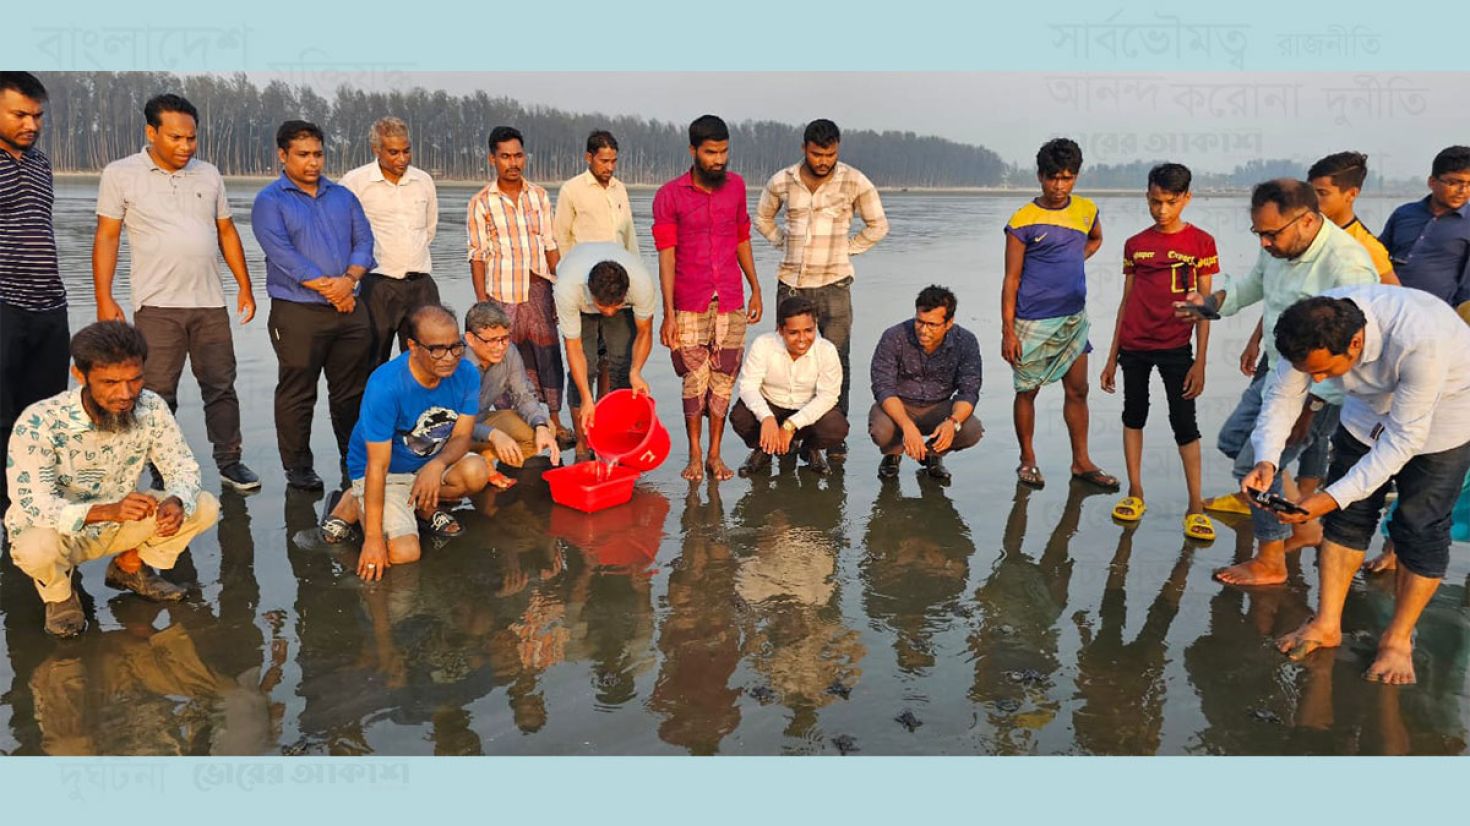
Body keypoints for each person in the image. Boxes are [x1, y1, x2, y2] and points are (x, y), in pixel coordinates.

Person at [1252, 287, 1470, 685]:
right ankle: (1326, 622)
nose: (1316, 380)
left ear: (1355, 342)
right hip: (1366, 410)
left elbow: (1404, 440)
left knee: (1420, 527)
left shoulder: (1420, 341)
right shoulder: (1305, 330)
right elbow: (1282, 396)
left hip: (1444, 417)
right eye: (1309, 370)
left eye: (1323, 370)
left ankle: (1397, 641)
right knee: (1347, 519)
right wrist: (1266, 458)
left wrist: (1329, 497)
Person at [1176, 178, 1379, 586]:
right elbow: (1254, 285)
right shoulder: (1279, 246)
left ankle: (1271, 559)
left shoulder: (1346, 264)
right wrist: (1212, 303)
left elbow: (1350, 349)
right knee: (1235, 440)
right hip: (1277, 365)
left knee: (1255, 464)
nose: (1265, 243)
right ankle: (1302, 523)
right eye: (1259, 234)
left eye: (1272, 234)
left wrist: (1311, 406)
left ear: (1306, 221)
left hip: (1321, 387)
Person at [4, 321, 221, 637]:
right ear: (81, 375)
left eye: (135, 380)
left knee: (201, 505)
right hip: (62, 531)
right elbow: (35, 506)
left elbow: (183, 468)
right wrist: (108, 511)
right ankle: (60, 598)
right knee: (36, 547)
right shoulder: (39, 422)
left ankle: (129, 567)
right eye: (110, 382)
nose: (125, 394)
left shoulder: (151, 407)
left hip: (121, 523)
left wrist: (175, 500)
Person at [92, 93, 260, 493]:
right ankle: (161, 468)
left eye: (191, 138)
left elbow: (226, 231)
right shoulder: (121, 174)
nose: (186, 146)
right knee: (156, 393)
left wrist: (245, 286)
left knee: (220, 385)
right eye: (176, 138)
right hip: (157, 305)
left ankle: (230, 462)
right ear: (152, 133)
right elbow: (107, 235)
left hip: (210, 304)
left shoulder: (209, 174)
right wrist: (104, 297)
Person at [319, 306, 490, 581]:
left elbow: (461, 437)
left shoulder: (467, 373)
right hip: (382, 473)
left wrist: (437, 464)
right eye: (437, 349)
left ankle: (421, 506)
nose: (449, 358)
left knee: (476, 472)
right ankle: (352, 501)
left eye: (455, 347)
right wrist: (372, 539)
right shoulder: (386, 385)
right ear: (413, 346)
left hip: (426, 465)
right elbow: (378, 465)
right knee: (404, 553)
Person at [252, 120, 376, 491]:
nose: (312, 162)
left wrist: (349, 282)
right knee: (298, 389)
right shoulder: (270, 201)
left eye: (318, 154)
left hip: (349, 308)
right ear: (283, 155)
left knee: (352, 390)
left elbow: (364, 241)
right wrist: (332, 289)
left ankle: (352, 456)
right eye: (303, 155)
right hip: (297, 311)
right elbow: (283, 255)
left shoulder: (343, 197)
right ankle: (299, 468)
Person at [753, 118, 888, 456]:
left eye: (829, 154)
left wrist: (848, 248)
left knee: (835, 360)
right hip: (792, 286)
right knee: (789, 356)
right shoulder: (783, 181)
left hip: (835, 285)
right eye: (816, 154)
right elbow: (762, 218)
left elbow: (878, 225)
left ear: (837, 149)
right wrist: (782, 241)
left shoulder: (854, 181)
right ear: (804, 149)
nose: (823, 161)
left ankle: (831, 437)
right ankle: (783, 431)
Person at [1099, 163, 1217, 541]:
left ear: (1186, 199)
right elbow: (1126, 302)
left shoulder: (1201, 243)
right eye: (1154, 202)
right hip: (1134, 345)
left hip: (1176, 347)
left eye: (1169, 202)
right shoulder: (1135, 244)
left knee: (1185, 423)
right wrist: (1111, 356)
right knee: (1134, 415)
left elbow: (1204, 306)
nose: (1161, 210)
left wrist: (1200, 361)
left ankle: (1195, 505)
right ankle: (1135, 492)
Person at [1000, 137, 1116, 492]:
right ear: (1039, 176)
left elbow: (1095, 238)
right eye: (1053, 178)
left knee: (1078, 390)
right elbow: (1012, 278)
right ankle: (1028, 460)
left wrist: (1073, 260)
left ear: (1076, 177)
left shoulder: (1085, 210)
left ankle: (1081, 461)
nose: (1059, 186)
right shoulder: (1023, 219)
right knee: (1027, 391)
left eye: (1067, 178)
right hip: (1031, 321)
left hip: (1073, 319)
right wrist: (1008, 331)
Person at [653, 114, 763, 482]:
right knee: (693, 379)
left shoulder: (736, 187)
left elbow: (742, 237)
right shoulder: (670, 195)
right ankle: (695, 455)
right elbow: (666, 255)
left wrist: (756, 288)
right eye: (711, 152)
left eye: (724, 152)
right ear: (693, 151)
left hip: (731, 297)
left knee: (723, 377)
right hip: (688, 300)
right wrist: (667, 313)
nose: (718, 159)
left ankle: (715, 455)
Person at [466, 126, 570, 447]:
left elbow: (549, 243)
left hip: (538, 287)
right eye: (505, 156)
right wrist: (482, 302)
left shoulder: (538, 195)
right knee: (504, 357)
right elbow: (477, 255)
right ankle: (510, 423)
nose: (513, 162)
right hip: (501, 292)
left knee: (548, 356)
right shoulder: (482, 202)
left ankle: (553, 420)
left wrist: (562, 282)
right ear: (492, 159)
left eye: (518, 155)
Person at [0, 72, 68, 509]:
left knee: (42, 417)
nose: (32, 124)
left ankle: (34, 504)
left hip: (49, 305)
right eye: (19, 114)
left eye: (37, 115)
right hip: (3, 306)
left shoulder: (41, 163)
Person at [340, 116, 441, 365]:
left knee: (428, 361)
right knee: (373, 360)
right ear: (376, 150)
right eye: (394, 152)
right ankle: (373, 405)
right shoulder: (355, 183)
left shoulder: (423, 181)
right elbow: (342, 235)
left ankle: (422, 406)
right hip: (376, 286)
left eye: (407, 151)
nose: (402, 158)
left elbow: (429, 229)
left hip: (421, 287)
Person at [868, 285, 984, 481]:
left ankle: (932, 455)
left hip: (940, 407)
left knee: (971, 430)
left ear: (949, 323)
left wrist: (952, 422)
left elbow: (969, 390)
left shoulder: (966, 341)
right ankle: (892, 454)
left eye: (932, 325)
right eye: (919, 322)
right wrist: (906, 425)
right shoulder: (894, 336)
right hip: (899, 404)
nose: (923, 330)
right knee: (882, 430)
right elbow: (883, 387)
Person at [553, 242, 656, 459]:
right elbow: (574, 347)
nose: (609, 313)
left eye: (614, 305)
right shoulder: (569, 289)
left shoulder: (641, 284)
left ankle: (617, 441)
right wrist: (586, 398)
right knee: (585, 369)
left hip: (621, 302)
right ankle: (583, 444)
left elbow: (645, 332)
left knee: (622, 366)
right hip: (581, 306)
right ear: (592, 294)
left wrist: (636, 371)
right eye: (603, 307)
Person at [729, 295, 848, 477]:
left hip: (807, 408)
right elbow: (748, 386)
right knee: (740, 417)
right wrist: (766, 418)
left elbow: (828, 396)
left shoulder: (827, 350)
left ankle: (810, 450)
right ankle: (764, 449)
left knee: (836, 427)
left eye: (809, 330)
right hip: (771, 405)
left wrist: (791, 425)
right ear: (780, 330)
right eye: (793, 333)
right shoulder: (764, 344)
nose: (802, 339)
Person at [464, 301, 560, 488]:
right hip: (450, 431)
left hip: (480, 421)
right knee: (467, 475)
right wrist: (494, 435)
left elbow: (523, 395)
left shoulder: (509, 352)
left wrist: (540, 426)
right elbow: (452, 421)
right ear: (470, 338)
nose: (500, 347)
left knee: (547, 429)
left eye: (504, 338)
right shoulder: (454, 361)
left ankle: (486, 457)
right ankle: (464, 465)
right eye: (491, 340)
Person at [1378, 145, 1470, 313]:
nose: (1462, 191)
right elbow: (1379, 255)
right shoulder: (1404, 213)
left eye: (1469, 184)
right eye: (1453, 182)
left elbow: (1467, 284)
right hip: (1391, 305)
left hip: (1439, 312)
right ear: (1432, 182)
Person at [553, 129, 638, 256]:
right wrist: (566, 270)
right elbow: (561, 237)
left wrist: (636, 268)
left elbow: (629, 236)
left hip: (618, 267)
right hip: (585, 269)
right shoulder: (571, 189)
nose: (610, 168)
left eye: (613, 161)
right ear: (589, 158)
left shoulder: (619, 188)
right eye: (604, 161)